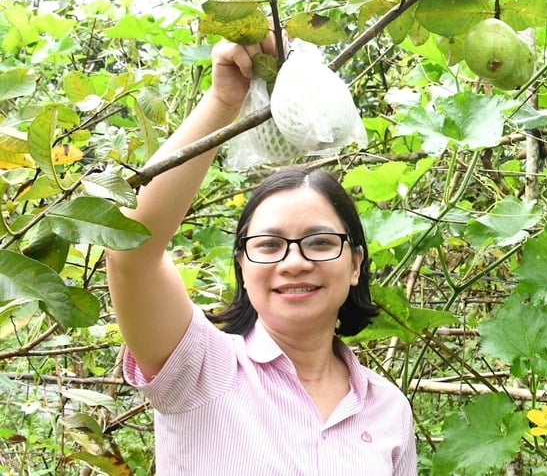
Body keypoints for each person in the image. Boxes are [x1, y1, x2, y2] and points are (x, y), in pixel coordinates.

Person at [105, 35, 417, 474]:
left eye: (320, 242)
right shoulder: (201, 367)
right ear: (242, 266)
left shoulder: (387, 408)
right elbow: (130, 247)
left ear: (355, 265)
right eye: (268, 245)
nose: (294, 262)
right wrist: (222, 100)